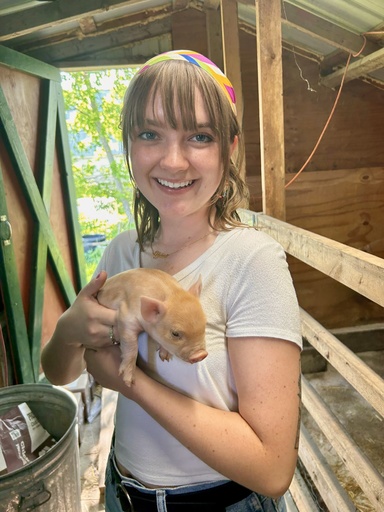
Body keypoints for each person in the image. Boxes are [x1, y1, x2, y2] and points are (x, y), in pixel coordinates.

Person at [41, 50, 302, 512]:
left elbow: (273, 470)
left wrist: (130, 383)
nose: (174, 160)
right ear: (129, 144)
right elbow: (60, 372)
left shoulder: (250, 261)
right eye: (150, 134)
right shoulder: (123, 252)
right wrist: (68, 330)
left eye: (199, 136)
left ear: (230, 148)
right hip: (123, 492)